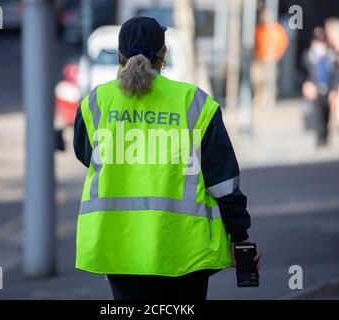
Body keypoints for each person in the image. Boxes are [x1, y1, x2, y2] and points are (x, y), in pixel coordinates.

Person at [73, 17, 260, 300]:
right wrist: (240, 236)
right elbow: (223, 182)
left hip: (120, 248)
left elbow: (87, 156)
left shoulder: (95, 103)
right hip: (185, 249)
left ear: (120, 57)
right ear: (164, 55)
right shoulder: (195, 103)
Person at [301, 27, 337, 146]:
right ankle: (319, 136)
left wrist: (334, 90)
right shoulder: (308, 56)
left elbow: (336, 74)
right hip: (314, 89)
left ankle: (326, 134)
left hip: (328, 88)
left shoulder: (331, 56)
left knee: (327, 112)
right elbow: (303, 73)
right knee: (316, 113)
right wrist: (306, 84)